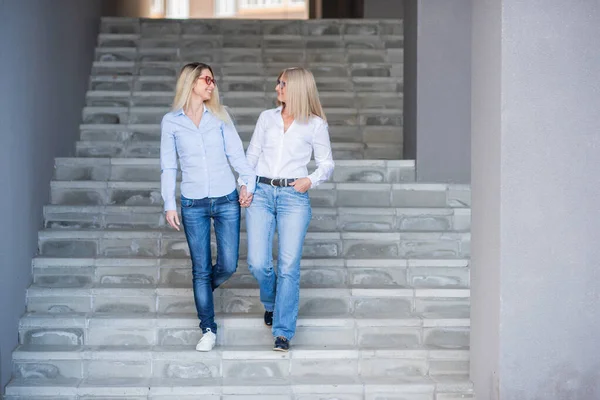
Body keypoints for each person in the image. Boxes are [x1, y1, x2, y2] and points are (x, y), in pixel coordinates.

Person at [160, 62, 255, 352]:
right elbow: (168, 166)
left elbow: (237, 155)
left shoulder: (220, 117)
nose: (212, 85)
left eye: (213, 80)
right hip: (192, 202)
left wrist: (246, 183)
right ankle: (208, 328)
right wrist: (169, 203)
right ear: (191, 83)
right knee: (200, 269)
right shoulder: (171, 122)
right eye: (206, 79)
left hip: (227, 199)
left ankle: (203, 293)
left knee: (228, 264)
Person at [244, 67, 335, 352]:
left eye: (282, 84)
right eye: (278, 83)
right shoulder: (266, 118)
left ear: (296, 88)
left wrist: (311, 180)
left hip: (293, 197)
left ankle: (282, 332)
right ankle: (271, 302)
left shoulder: (315, 124)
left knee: (288, 267)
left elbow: (327, 163)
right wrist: (245, 185)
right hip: (260, 191)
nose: (277, 88)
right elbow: (252, 154)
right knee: (257, 262)